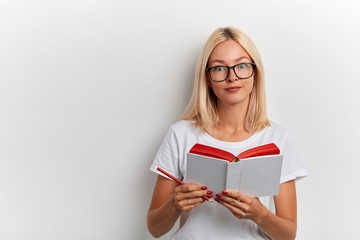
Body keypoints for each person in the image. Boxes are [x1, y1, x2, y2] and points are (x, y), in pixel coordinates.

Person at [147, 26, 307, 240]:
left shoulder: (278, 138)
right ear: (208, 79)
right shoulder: (181, 134)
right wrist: (175, 204)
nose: (232, 77)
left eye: (242, 66)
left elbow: (288, 235)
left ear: (255, 73)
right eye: (219, 68)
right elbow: (155, 229)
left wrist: (260, 215)